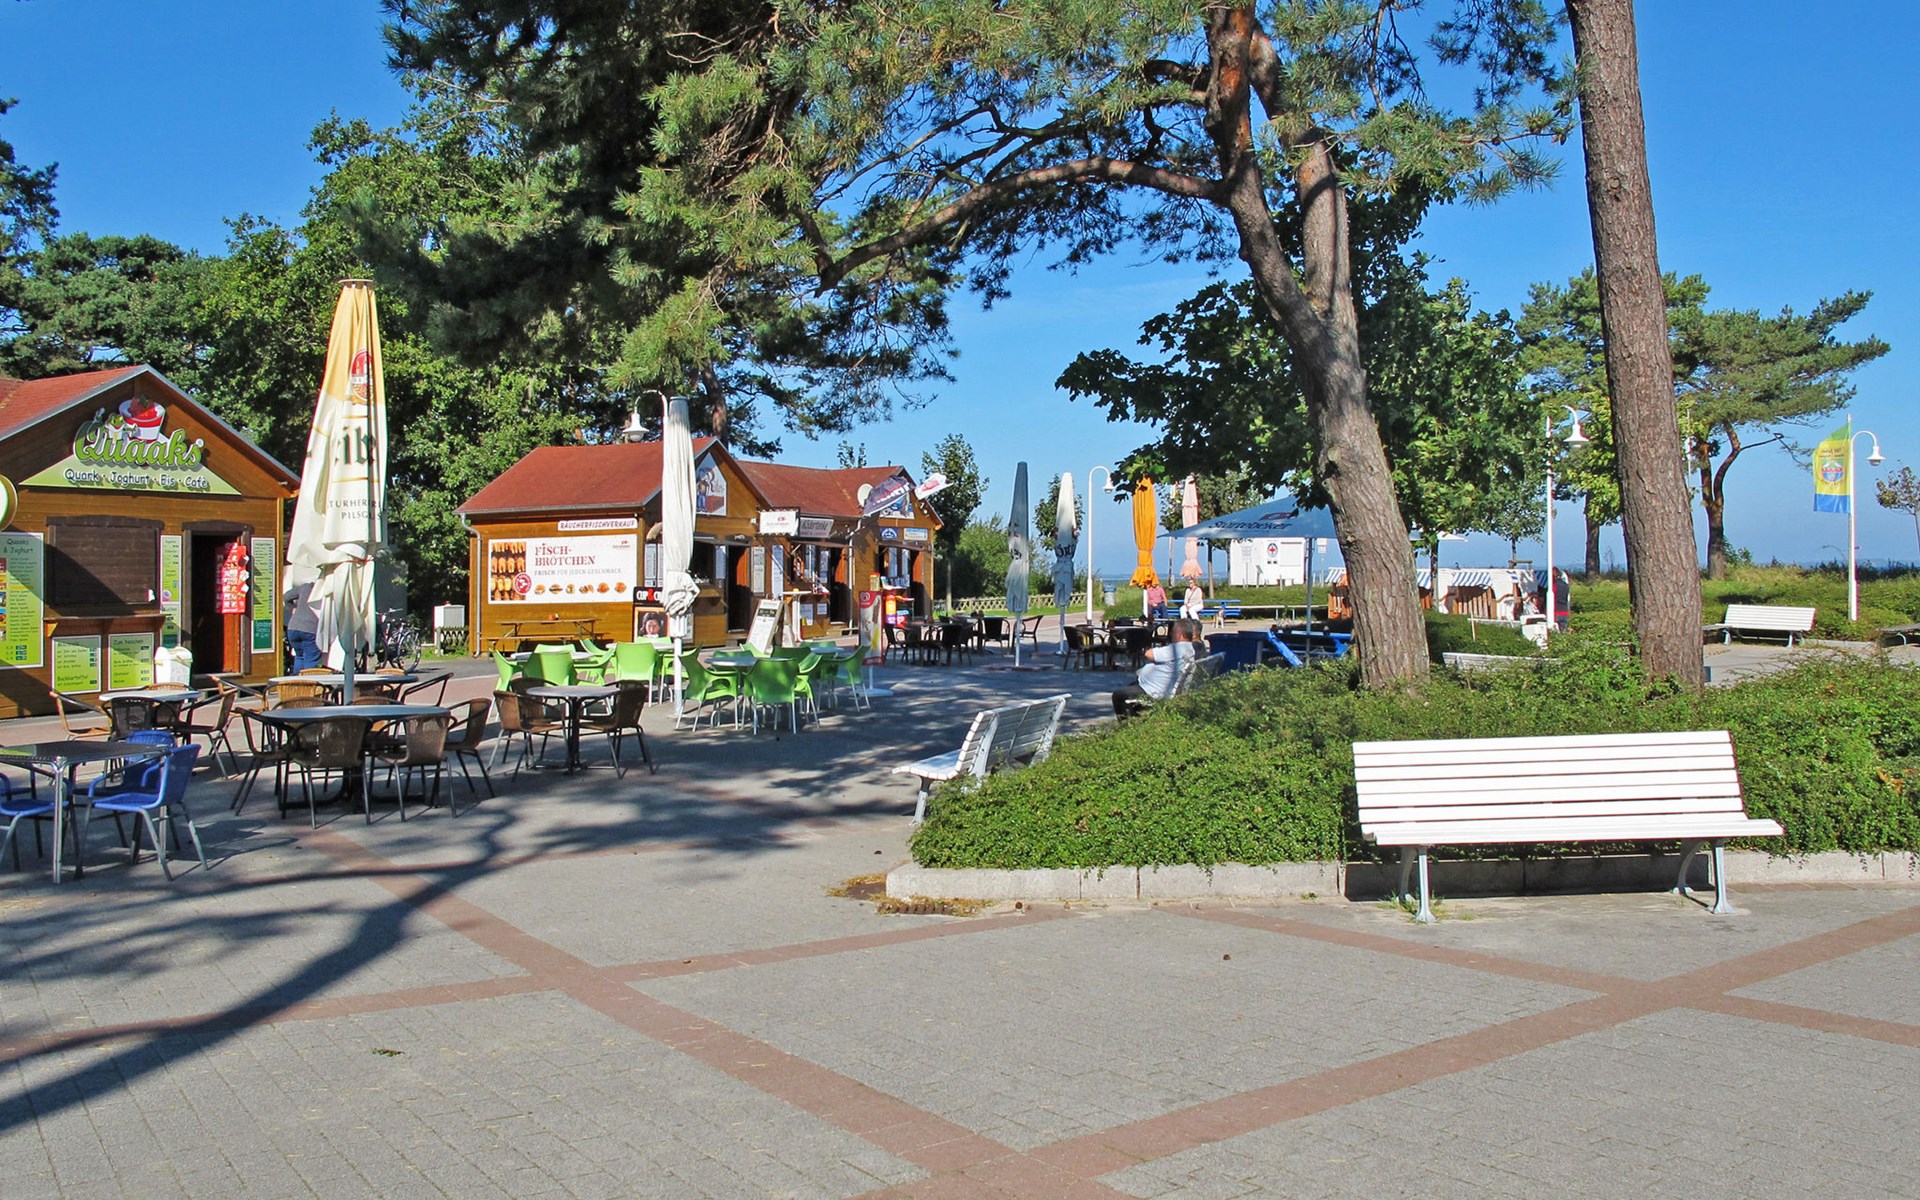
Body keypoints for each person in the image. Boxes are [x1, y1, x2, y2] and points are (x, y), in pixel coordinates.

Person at [1111, 618, 1199, 717]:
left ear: (1179, 634)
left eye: (1173, 632)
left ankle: (1129, 724)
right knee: (1130, 688)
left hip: (1155, 691)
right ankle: (1136, 721)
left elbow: (1149, 654)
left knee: (1118, 695)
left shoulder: (1176, 649)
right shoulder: (1189, 648)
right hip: (1159, 687)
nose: (1171, 634)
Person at [284, 579, 322, 671]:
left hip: (293, 627)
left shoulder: (305, 587)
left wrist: (292, 608)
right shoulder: (324, 590)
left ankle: (297, 679)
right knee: (311, 658)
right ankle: (308, 679)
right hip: (310, 629)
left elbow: (286, 596)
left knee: (299, 656)